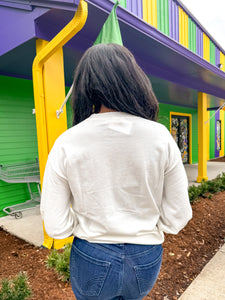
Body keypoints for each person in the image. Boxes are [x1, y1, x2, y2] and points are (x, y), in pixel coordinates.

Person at [40, 43, 192, 300]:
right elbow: (178, 215)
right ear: (134, 80)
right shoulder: (161, 137)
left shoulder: (68, 141)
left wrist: (87, 225)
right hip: (145, 257)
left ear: (85, 86)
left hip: (92, 254)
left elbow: (55, 225)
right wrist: (147, 225)